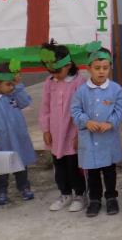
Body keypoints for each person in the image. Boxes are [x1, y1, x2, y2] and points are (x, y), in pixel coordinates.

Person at [71, 44, 122, 217]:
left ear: (110, 67)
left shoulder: (116, 89)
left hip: (108, 138)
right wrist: (86, 122)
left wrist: (111, 123)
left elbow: (119, 110)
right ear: (88, 68)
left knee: (109, 170)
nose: (101, 72)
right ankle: (94, 199)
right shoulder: (81, 91)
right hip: (89, 139)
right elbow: (75, 110)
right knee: (92, 172)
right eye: (97, 68)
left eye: (105, 68)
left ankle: (111, 197)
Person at [39, 41, 87, 212]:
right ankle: (64, 193)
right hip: (55, 134)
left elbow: (83, 109)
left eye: (57, 71)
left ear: (68, 65)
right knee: (58, 166)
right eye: (51, 71)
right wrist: (45, 129)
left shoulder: (79, 83)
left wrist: (79, 134)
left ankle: (79, 194)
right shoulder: (49, 82)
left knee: (74, 166)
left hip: (72, 133)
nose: (54, 75)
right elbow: (45, 107)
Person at [0, 60, 35, 205]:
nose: (11, 87)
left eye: (13, 83)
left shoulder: (14, 94)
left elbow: (25, 102)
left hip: (18, 139)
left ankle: (24, 188)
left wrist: (18, 86)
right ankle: (1, 192)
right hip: (2, 142)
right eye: (8, 84)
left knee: (21, 167)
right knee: (2, 171)